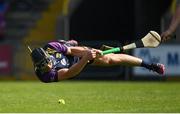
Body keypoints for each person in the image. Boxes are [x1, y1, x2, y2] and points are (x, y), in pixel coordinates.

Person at [29, 40, 165, 83]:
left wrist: (87, 52)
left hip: (71, 51)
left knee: (110, 58)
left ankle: (151, 66)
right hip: (75, 66)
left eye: (46, 63)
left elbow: (71, 51)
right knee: (110, 61)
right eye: (44, 67)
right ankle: (68, 42)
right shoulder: (45, 76)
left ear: (47, 55)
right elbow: (70, 73)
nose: (47, 67)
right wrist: (86, 58)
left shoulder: (51, 47)